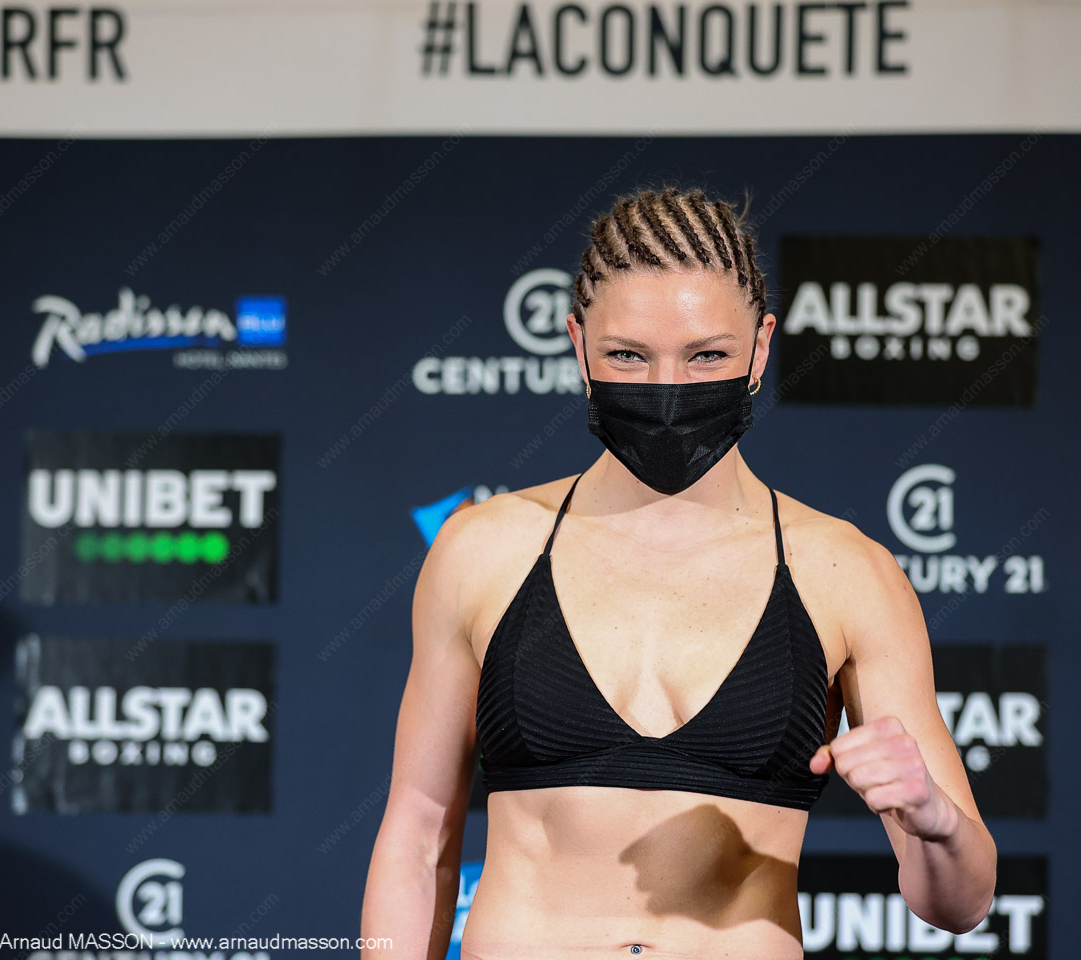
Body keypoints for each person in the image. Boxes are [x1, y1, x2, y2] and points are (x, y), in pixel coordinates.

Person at [360, 185, 997, 960]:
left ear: (760, 349)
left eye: (707, 356)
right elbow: (416, 841)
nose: (668, 390)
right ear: (578, 347)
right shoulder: (482, 550)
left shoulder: (848, 573)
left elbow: (960, 905)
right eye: (628, 355)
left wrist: (935, 820)